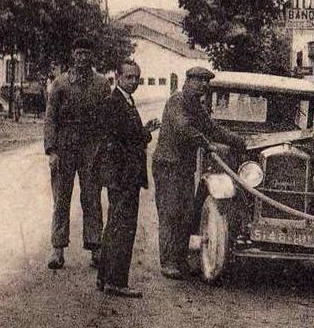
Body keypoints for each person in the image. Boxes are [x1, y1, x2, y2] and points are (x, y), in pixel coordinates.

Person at [152, 66, 245, 279]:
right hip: (168, 165)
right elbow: (183, 129)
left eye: (206, 81)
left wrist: (239, 142)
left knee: (185, 213)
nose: (204, 85)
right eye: (199, 80)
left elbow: (212, 128)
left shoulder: (196, 106)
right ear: (188, 81)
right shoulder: (177, 102)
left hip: (183, 167)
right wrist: (207, 145)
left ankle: (180, 260)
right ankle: (168, 262)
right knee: (170, 213)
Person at [43, 37, 111, 270]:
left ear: (92, 56)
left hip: (91, 148)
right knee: (61, 199)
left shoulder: (102, 84)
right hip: (64, 148)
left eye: (87, 53)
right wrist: (51, 150)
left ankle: (96, 248)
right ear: (73, 54)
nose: (83, 57)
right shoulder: (61, 84)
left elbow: (106, 120)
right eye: (79, 53)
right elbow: (50, 119)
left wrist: (105, 150)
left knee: (92, 198)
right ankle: (57, 249)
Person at [95, 60, 160, 298]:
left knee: (115, 226)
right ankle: (116, 281)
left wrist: (142, 132)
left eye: (137, 78)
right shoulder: (115, 103)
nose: (134, 82)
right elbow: (123, 139)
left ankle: (105, 278)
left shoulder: (124, 101)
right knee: (122, 227)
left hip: (123, 175)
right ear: (118, 77)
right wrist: (146, 133)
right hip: (123, 176)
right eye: (129, 77)